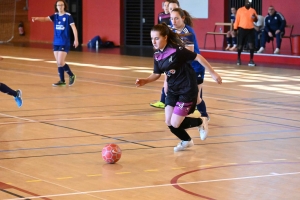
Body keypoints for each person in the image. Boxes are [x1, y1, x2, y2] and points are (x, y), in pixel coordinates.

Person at [135, 23, 222, 152]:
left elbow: (198, 57)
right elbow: (157, 73)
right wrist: (146, 80)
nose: (153, 41)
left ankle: (200, 122)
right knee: (169, 122)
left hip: (187, 88)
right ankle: (186, 141)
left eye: (157, 38)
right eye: (152, 38)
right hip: (173, 90)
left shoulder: (177, 50)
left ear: (165, 37)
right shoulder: (157, 55)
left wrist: (213, 73)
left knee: (176, 123)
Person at [170, 8, 211, 139]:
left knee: (196, 97)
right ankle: (186, 133)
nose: (173, 21)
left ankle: (204, 118)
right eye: (172, 18)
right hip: (182, 70)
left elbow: (188, 56)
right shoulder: (171, 31)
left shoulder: (187, 33)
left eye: (176, 18)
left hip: (195, 68)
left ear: (183, 18)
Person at [32, 0, 78, 87]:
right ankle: (62, 80)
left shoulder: (68, 16)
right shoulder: (55, 16)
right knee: (58, 62)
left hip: (64, 42)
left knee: (61, 61)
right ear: (56, 7)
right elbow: (45, 19)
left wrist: (76, 39)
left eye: (61, 5)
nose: (60, 7)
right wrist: (37, 18)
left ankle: (71, 75)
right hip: (56, 42)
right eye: (58, 5)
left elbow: (73, 27)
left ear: (64, 6)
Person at [149, 0, 180, 109]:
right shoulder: (163, 19)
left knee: (192, 81)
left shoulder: (182, 27)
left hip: (180, 57)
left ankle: (193, 103)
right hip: (169, 55)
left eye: (172, 8)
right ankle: (164, 100)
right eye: (168, 7)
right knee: (168, 78)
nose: (169, 10)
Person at [234, 0, 258, 67]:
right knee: (240, 45)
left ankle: (251, 60)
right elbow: (237, 20)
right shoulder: (240, 10)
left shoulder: (253, 10)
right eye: (247, 2)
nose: (248, 3)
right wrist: (235, 29)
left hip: (250, 30)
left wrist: (254, 18)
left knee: (251, 45)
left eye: (249, 2)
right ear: (245, 3)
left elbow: (256, 20)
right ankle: (238, 58)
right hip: (242, 29)